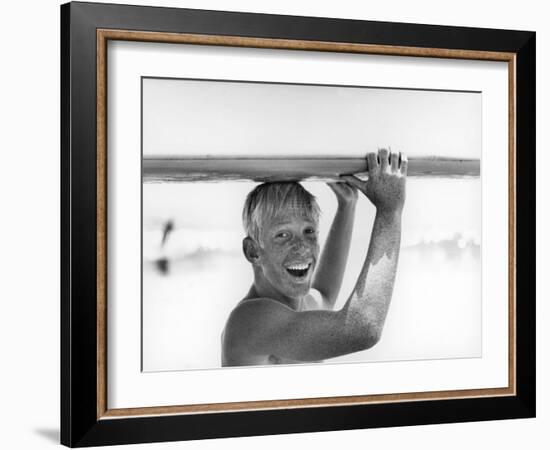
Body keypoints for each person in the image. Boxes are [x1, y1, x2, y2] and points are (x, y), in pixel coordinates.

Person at [221, 148, 407, 366]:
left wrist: (347, 206)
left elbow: (325, 295)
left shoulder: (301, 306)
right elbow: (363, 328)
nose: (301, 247)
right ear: (253, 251)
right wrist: (390, 210)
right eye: (282, 235)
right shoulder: (250, 321)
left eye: (309, 231)